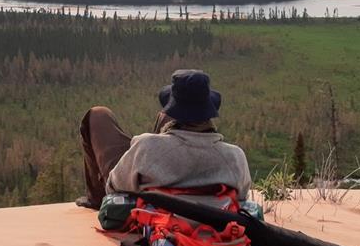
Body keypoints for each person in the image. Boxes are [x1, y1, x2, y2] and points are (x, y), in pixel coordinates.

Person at [77, 69, 251, 209]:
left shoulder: (147, 146)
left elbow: (115, 186)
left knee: (98, 115)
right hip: (206, 218)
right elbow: (241, 197)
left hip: (153, 218)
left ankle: (95, 201)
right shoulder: (236, 157)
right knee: (163, 119)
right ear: (209, 112)